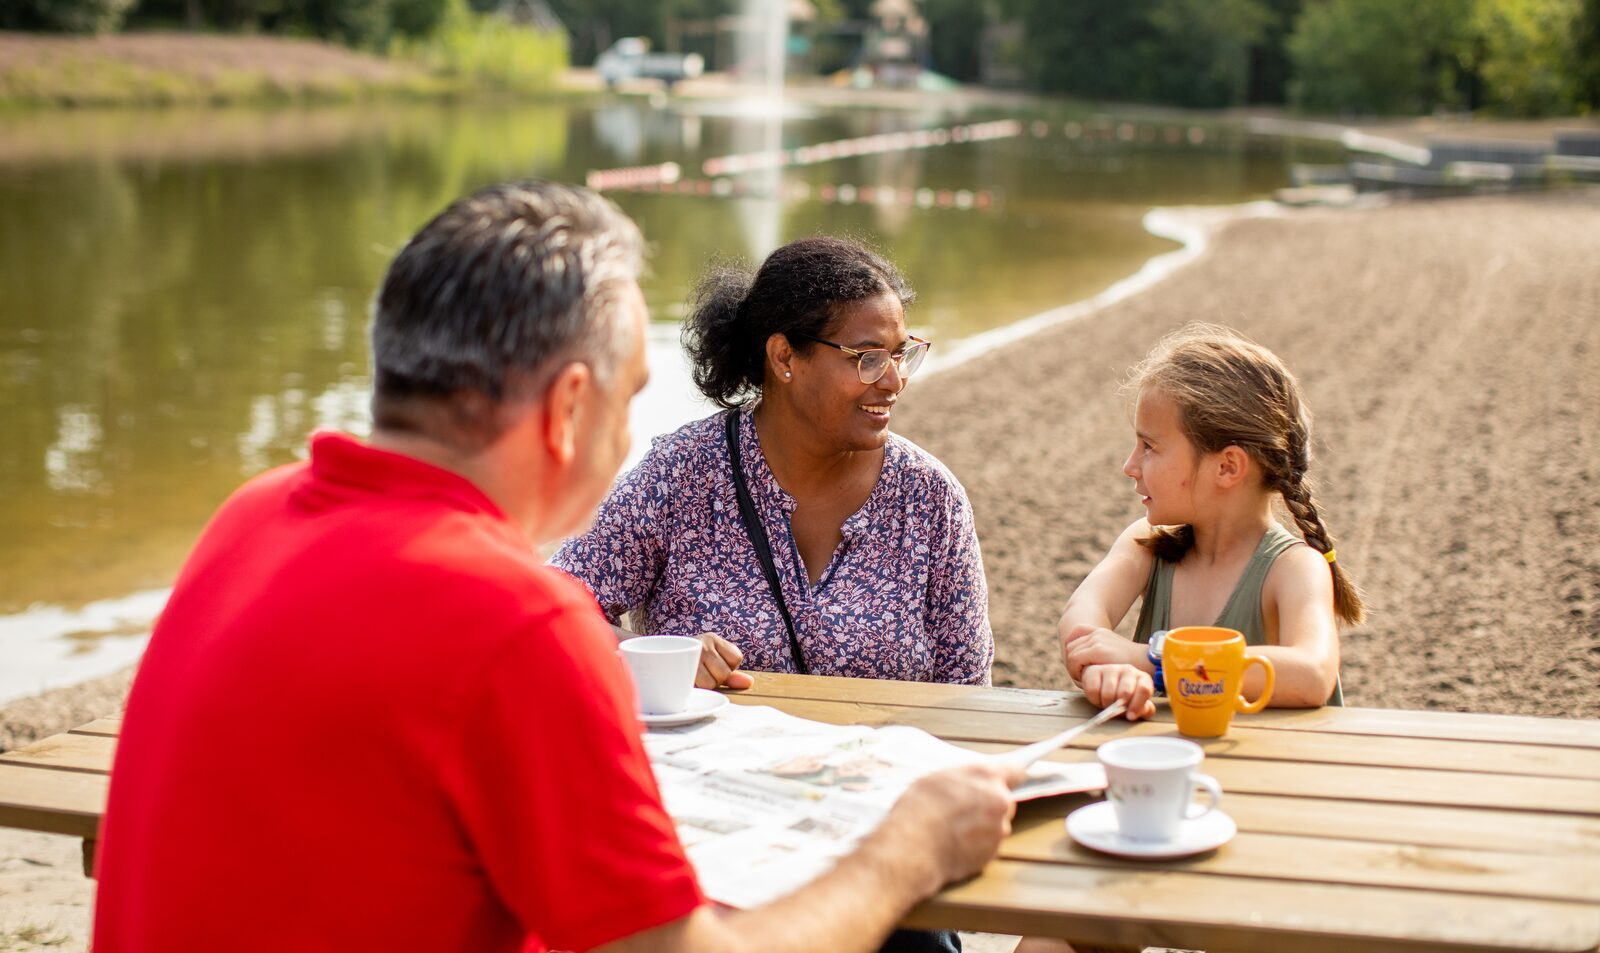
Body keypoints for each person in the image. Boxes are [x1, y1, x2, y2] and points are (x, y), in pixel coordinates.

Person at [92, 181, 1024, 953]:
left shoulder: (248, 517)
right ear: (569, 405)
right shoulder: (520, 622)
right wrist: (905, 852)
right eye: (629, 397)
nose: (631, 437)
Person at [552, 237, 995, 691]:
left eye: (901, 354)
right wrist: (654, 658)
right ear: (784, 356)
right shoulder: (681, 475)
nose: (894, 380)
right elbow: (552, 613)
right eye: (868, 358)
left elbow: (968, 688)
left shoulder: (929, 497)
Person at [1058, 323, 1364, 710]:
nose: (1129, 466)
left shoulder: (1294, 568)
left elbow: (1312, 674)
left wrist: (1153, 662)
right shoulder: (1146, 544)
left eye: (1149, 447)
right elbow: (1081, 618)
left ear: (1227, 467)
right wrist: (1101, 667)